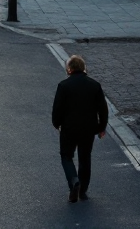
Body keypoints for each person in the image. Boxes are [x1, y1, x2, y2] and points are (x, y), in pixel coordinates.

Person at [51, 54, 109, 203]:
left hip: (69, 128)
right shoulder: (94, 85)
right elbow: (102, 109)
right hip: (88, 128)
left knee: (66, 156)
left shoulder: (64, 86)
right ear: (84, 68)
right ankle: (83, 190)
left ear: (69, 69)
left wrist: (57, 124)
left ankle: (73, 181)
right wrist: (101, 127)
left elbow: (57, 108)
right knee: (85, 157)